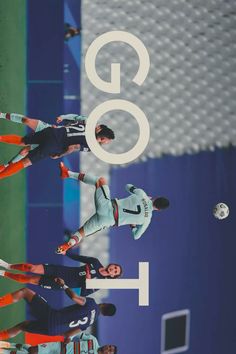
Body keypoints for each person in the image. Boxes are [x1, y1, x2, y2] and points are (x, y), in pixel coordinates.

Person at [56, 163, 170, 254]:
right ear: (159, 210)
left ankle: (68, 174)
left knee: (99, 181)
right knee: (81, 233)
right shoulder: (147, 220)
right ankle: (67, 245)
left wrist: (142, 195)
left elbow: (128, 186)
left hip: (108, 206)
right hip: (108, 221)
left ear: (156, 198)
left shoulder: (142, 195)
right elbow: (136, 236)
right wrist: (133, 226)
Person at [0, 113, 115, 179]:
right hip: (53, 140)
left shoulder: (90, 127)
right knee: (25, 159)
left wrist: (63, 119)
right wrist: (59, 155)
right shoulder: (90, 137)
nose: (99, 142)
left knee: (24, 145)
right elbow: (73, 147)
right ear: (99, 129)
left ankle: (5, 166)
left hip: (51, 132)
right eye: (101, 139)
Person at [0, 279, 116, 340]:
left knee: (25, 292)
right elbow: (68, 335)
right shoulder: (90, 322)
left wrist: (64, 285)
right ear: (105, 315)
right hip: (53, 330)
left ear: (104, 304)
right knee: (22, 326)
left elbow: (75, 297)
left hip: (52, 316)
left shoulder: (92, 303)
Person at [0, 253, 122, 295]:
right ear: (112, 264)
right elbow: (78, 257)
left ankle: (3, 273)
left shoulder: (99, 283)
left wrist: (88, 280)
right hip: (61, 270)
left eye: (115, 272)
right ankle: (8, 265)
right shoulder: (95, 262)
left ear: (112, 276)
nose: (113, 270)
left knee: (29, 279)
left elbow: (84, 293)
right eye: (115, 267)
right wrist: (66, 253)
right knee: (31, 267)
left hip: (59, 283)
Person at [0, 334, 117, 353]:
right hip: (59, 346)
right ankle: (11, 346)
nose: (108, 348)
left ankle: (5, 350)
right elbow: (78, 332)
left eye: (110, 351)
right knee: (32, 351)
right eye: (110, 346)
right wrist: (70, 337)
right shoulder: (93, 340)